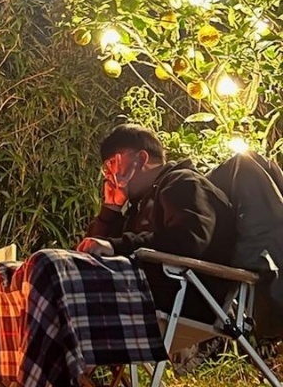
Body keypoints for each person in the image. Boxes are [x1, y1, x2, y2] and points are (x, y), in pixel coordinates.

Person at [77, 123, 235, 316]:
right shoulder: (138, 206)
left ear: (141, 159)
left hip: (185, 296)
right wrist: (111, 208)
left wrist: (117, 246)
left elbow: (188, 240)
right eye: (106, 169)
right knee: (60, 268)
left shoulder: (183, 182)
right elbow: (93, 251)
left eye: (114, 163)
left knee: (53, 266)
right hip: (147, 289)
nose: (111, 175)